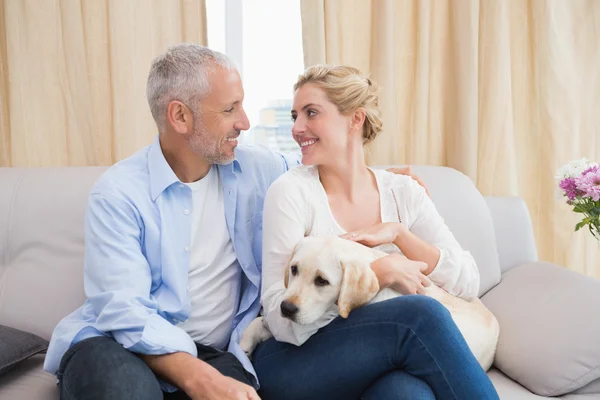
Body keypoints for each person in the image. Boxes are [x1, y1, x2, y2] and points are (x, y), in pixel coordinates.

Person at [42, 44, 422, 400]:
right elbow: (124, 312)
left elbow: (325, 174)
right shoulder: (119, 193)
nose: (244, 122)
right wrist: (197, 377)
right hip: (117, 345)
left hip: (211, 353)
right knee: (125, 389)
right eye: (229, 109)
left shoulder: (258, 169)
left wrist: (387, 180)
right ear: (180, 116)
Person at [253, 65, 500, 400]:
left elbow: (469, 281)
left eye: (311, 113)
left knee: (407, 393)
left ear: (356, 119)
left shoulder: (402, 192)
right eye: (295, 115)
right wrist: (377, 275)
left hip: (381, 361)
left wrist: (399, 234)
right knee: (421, 314)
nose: (297, 128)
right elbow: (278, 314)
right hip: (294, 360)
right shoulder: (291, 192)